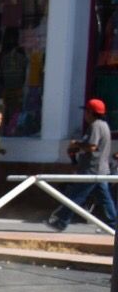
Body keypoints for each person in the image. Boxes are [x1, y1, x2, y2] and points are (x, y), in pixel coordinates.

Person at [49, 99, 116, 231]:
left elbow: (92, 146)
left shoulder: (96, 126)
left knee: (76, 195)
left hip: (92, 169)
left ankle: (61, 221)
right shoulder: (104, 125)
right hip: (100, 169)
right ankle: (113, 223)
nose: (85, 114)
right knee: (105, 199)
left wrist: (76, 144)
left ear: (91, 112)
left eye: (86, 111)